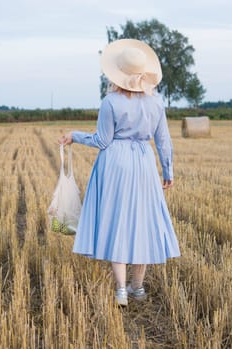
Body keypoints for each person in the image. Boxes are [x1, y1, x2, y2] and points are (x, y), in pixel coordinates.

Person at [58, 39, 180, 306]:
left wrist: (74, 136)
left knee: (118, 222)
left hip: (115, 164)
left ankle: (120, 290)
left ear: (117, 73)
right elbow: (163, 141)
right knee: (143, 224)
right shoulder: (156, 102)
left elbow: (102, 141)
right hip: (145, 163)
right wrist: (167, 169)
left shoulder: (110, 101)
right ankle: (138, 288)